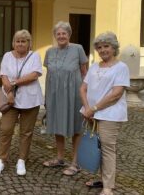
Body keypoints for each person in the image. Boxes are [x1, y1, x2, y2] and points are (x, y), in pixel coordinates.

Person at [80, 32, 130, 195]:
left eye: (106, 46)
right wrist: (87, 108)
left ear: (114, 47)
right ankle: (103, 179)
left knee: (108, 149)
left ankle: (108, 187)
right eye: (99, 47)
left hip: (110, 115)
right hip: (91, 114)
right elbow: (83, 88)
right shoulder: (94, 66)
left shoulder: (121, 67)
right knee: (96, 148)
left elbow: (116, 93)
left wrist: (93, 108)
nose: (102, 50)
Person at [0, 29, 43, 176]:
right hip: (10, 100)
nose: (20, 43)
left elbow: (34, 75)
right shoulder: (8, 56)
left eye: (23, 41)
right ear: (14, 43)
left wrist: (15, 83)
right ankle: (2, 159)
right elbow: (4, 76)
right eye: (18, 41)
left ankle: (21, 160)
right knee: (6, 129)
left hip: (31, 99)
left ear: (29, 43)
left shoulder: (34, 56)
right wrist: (9, 92)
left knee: (26, 132)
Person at [43, 21, 88, 176]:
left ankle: (75, 163)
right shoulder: (49, 51)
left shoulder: (78, 49)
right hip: (55, 94)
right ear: (55, 36)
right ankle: (60, 158)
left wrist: (86, 95)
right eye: (58, 34)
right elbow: (49, 74)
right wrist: (47, 95)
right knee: (57, 124)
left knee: (77, 126)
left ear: (69, 35)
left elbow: (84, 73)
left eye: (64, 33)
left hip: (74, 94)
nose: (61, 36)